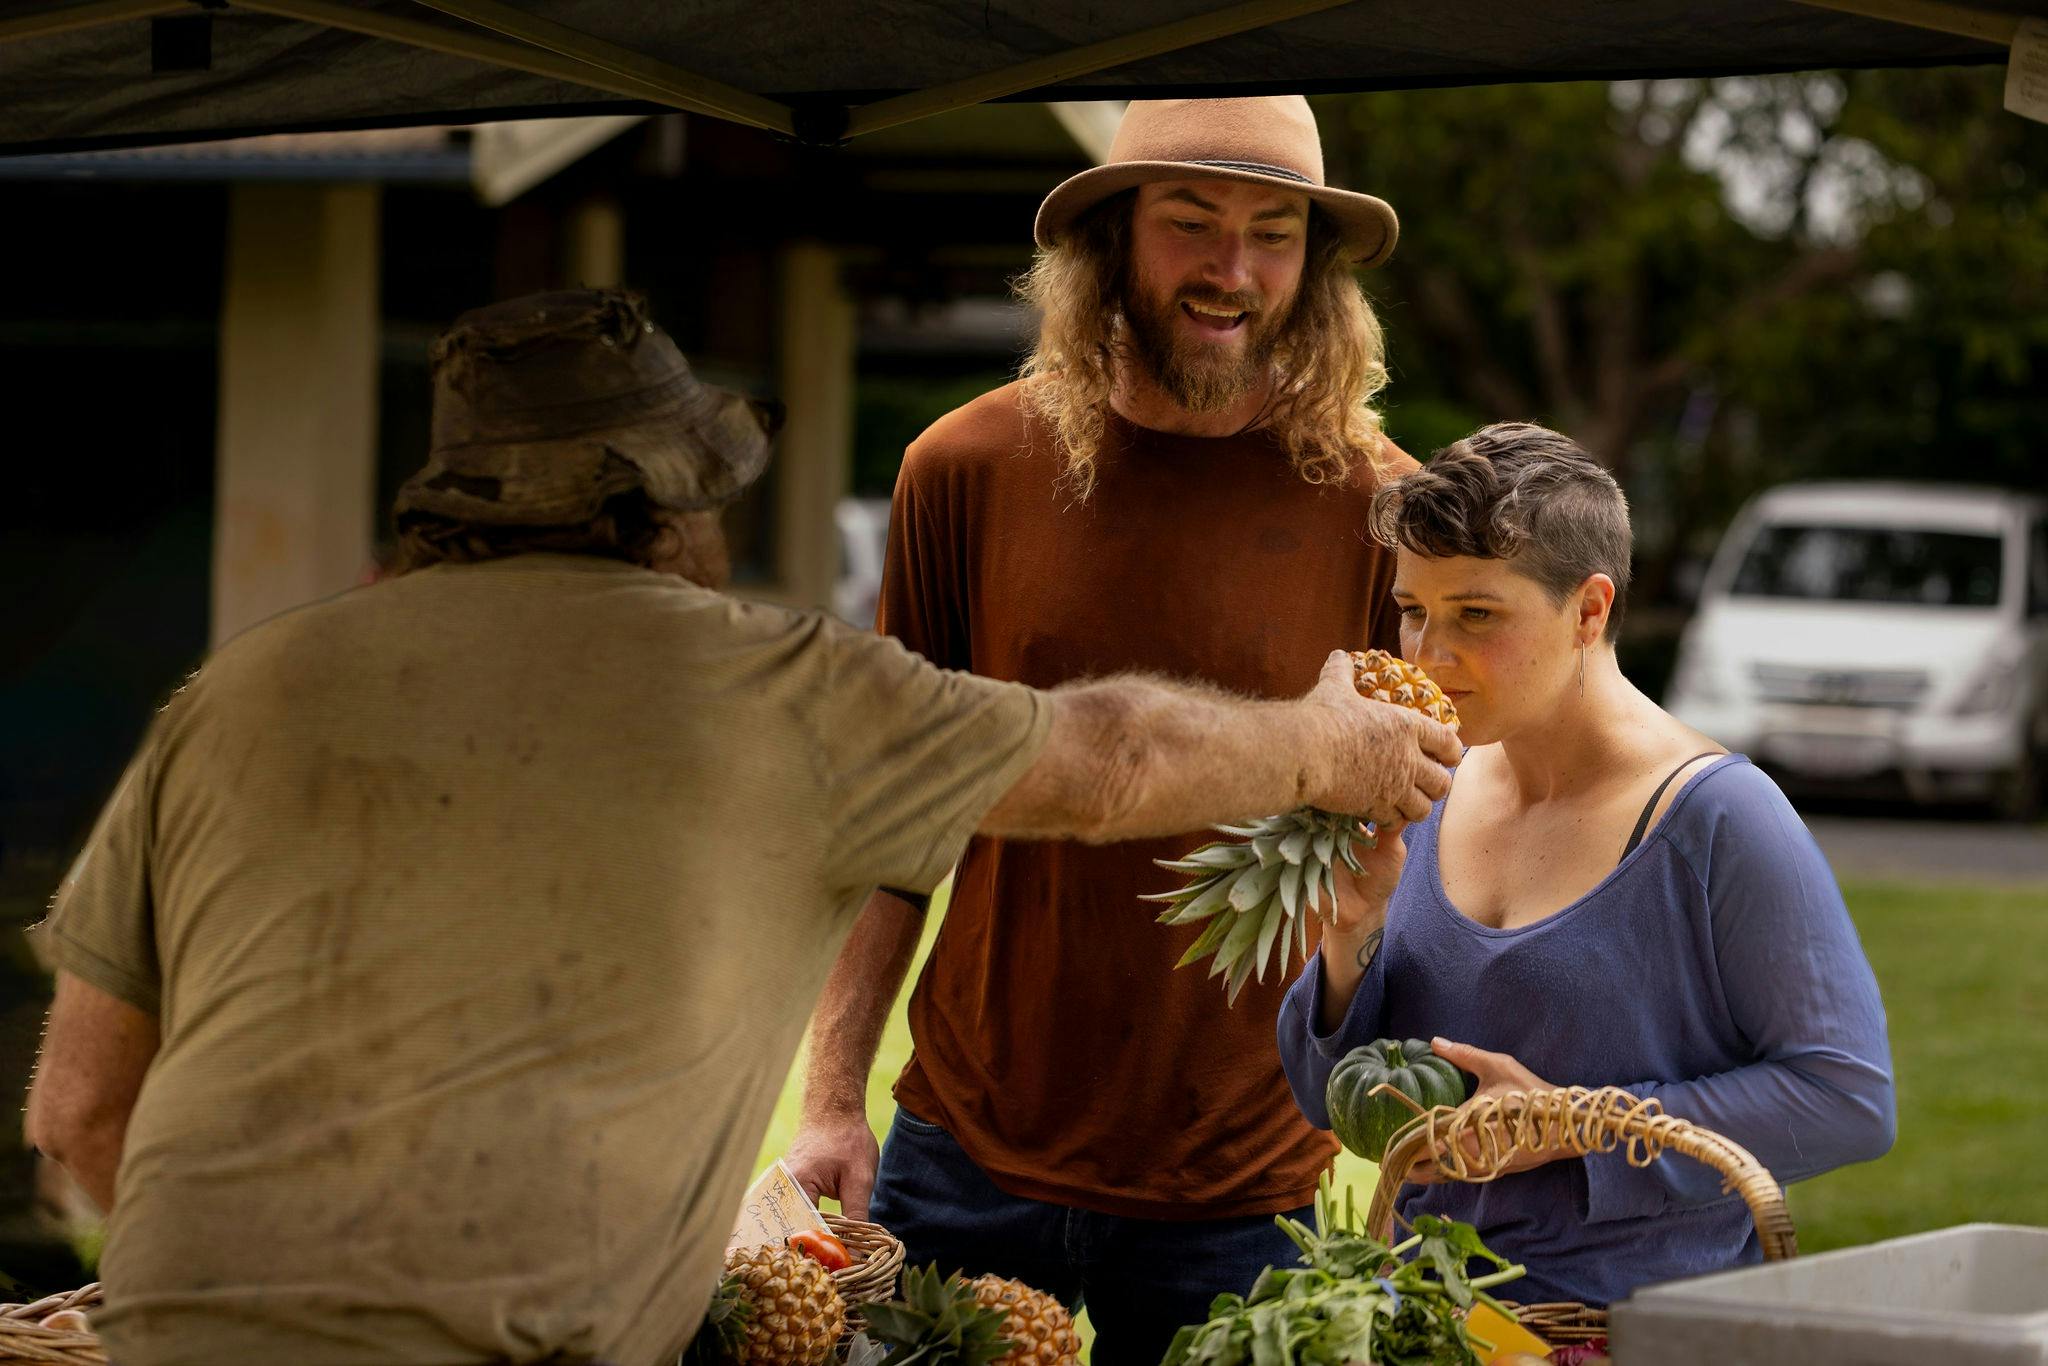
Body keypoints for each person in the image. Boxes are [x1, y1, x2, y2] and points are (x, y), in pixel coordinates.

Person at [23, 289, 1457, 1366]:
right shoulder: (767, 685)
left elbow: (79, 1116)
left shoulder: (241, 686)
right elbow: (1109, 755)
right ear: (673, 510)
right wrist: (1327, 740)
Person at [787, 96, 1423, 1363]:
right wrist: (826, 1099)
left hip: (1240, 1180)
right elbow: (891, 821)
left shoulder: (1380, 504)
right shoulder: (962, 468)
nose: (1232, 271)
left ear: (1314, 267)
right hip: (965, 1148)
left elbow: (1415, 846)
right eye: (1189, 222)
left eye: (1274, 233)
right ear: (1110, 242)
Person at [1277, 423, 1896, 1305]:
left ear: (1590, 611)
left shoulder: (1719, 817)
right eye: (1414, 611)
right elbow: (1324, 1097)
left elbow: (1847, 1100)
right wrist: (1351, 936)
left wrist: (1572, 1126)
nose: (1428, 656)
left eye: (1477, 615)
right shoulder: (1427, 784)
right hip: (1427, 1326)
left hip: (1643, 1332)